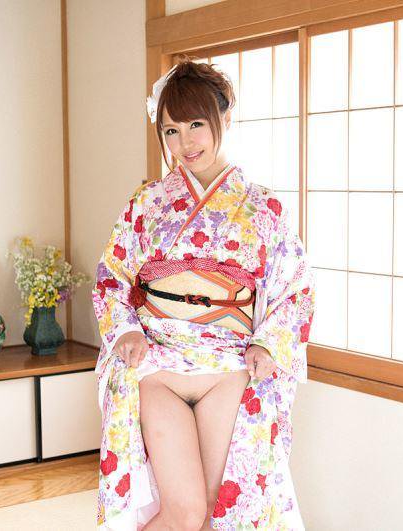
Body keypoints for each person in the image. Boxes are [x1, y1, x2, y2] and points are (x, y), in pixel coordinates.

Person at [92, 58, 315, 530]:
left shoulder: (263, 207)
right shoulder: (146, 204)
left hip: (228, 366)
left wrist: (268, 342)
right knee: (185, 511)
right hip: (158, 364)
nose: (185, 143)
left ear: (225, 118)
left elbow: (294, 289)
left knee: (218, 511)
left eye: (196, 124)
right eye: (171, 131)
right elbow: (112, 277)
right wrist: (126, 330)